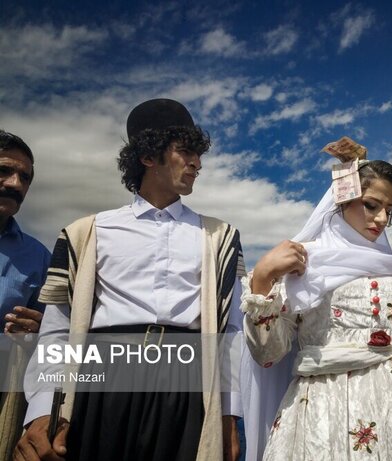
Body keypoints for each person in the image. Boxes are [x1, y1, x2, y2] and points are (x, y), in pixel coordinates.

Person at [15, 98, 246, 461]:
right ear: (147, 157)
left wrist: (230, 415)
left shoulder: (220, 238)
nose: (197, 163)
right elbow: (57, 329)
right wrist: (43, 408)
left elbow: (231, 333)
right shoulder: (85, 233)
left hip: (186, 385)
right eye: (185, 151)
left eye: (198, 154)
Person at [242, 159, 392, 459]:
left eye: (389, 210)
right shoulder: (305, 263)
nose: (381, 218)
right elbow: (269, 353)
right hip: (326, 405)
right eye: (371, 205)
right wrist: (263, 277)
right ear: (341, 201)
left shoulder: (391, 267)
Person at [0, 130, 51, 460]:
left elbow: (52, 339)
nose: (16, 184)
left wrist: (38, 329)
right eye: (4, 171)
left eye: (25, 177)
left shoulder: (40, 257)